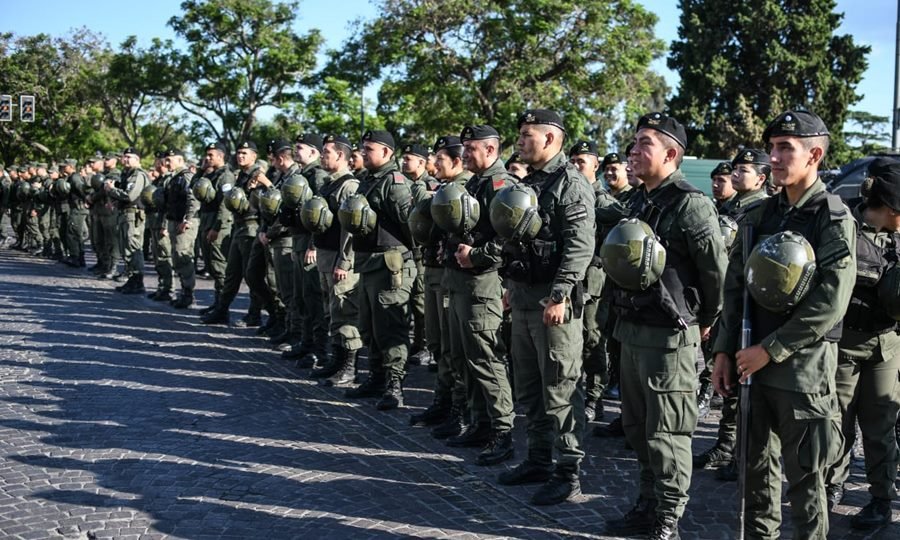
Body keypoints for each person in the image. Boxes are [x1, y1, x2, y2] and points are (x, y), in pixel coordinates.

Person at [712, 110, 856, 539]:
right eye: (772, 147)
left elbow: (830, 302)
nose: (773, 157)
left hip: (801, 372)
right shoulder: (760, 215)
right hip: (750, 364)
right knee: (755, 478)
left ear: (814, 155)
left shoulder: (832, 217)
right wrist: (723, 351)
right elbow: (734, 289)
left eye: (785, 148)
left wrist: (769, 350)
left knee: (806, 483)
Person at [604, 112, 726, 539]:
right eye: (634, 143)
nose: (633, 151)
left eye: (645, 144)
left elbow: (715, 274)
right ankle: (648, 503)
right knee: (637, 429)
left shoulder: (691, 204)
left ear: (671, 154)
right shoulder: (639, 201)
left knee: (667, 433)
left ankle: (668, 518)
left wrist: (706, 321)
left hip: (670, 337)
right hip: (632, 330)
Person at [495, 109, 595, 506]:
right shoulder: (531, 182)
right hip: (524, 296)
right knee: (530, 387)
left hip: (553, 302)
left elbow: (580, 245)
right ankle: (537, 459)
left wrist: (560, 294)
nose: (520, 141)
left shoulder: (570, 183)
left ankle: (568, 472)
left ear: (550, 139)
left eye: (527, 135)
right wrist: (509, 286)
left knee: (560, 387)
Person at [822, 157, 900, 529]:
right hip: (845, 341)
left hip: (885, 344)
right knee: (837, 420)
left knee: (880, 425)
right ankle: (831, 485)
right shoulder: (845, 225)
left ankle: (881, 498)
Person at [695, 148, 771, 480]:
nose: (737, 174)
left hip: (749, 305)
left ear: (761, 178)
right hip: (729, 300)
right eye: (735, 169)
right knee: (729, 383)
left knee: (744, 386)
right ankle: (727, 445)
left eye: (745, 170)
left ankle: (741, 453)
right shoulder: (730, 208)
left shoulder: (760, 211)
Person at [344, 130, 416, 411]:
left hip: (390, 265)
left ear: (386, 152)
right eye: (362, 148)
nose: (363, 153)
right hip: (367, 262)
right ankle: (376, 377)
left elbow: (410, 226)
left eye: (369, 149)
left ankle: (395, 385)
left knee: (390, 327)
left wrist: (413, 260)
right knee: (369, 326)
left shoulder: (394, 183)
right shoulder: (368, 180)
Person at [568, 140, 628, 423]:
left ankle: (595, 397)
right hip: (571, 280)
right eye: (573, 161)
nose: (576, 166)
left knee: (593, 340)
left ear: (595, 166)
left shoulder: (603, 201)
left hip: (594, 283)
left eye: (581, 161)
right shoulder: (570, 194)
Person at [305, 134, 362, 386]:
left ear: (340, 155)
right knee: (332, 312)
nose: (322, 156)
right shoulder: (329, 183)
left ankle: (349, 366)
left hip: (339, 260)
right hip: (326, 256)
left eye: (326, 152)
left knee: (345, 311)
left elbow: (350, 230)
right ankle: (336, 360)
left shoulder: (349, 186)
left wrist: (344, 262)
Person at [401, 142, 439, 365]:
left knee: (421, 299)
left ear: (422, 162)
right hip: (410, 249)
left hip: (423, 250)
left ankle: (425, 345)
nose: (404, 162)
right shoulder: (407, 184)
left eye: (409, 159)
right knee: (414, 297)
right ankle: (417, 343)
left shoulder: (429, 185)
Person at [197, 142, 235, 315]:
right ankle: (217, 302)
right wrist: (200, 171)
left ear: (221, 156)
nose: (207, 158)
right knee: (210, 265)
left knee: (219, 267)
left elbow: (225, 204)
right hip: (206, 222)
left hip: (217, 225)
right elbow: (194, 188)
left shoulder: (226, 176)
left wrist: (217, 227)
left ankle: (222, 309)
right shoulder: (211, 174)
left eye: (211, 155)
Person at [106, 147, 150, 295]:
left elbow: (130, 196)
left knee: (133, 248)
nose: (125, 159)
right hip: (125, 214)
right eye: (124, 157)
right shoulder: (127, 174)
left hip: (133, 215)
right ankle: (131, 279)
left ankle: (137, 281)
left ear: (137, 159)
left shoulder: (138, 175)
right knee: (126, 248)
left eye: (129, 157)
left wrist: (112, 190)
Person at [163, 148, 200, 308]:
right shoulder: (174, 177)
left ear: (179, 160)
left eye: (169, 160)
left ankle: (188, 294)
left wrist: (188, 220)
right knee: (177, 257)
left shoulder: (186, 176)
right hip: (174, 221)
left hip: (183, 223)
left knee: (183, 256)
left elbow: (193, 199)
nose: (166, 163)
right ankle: (184, 291)